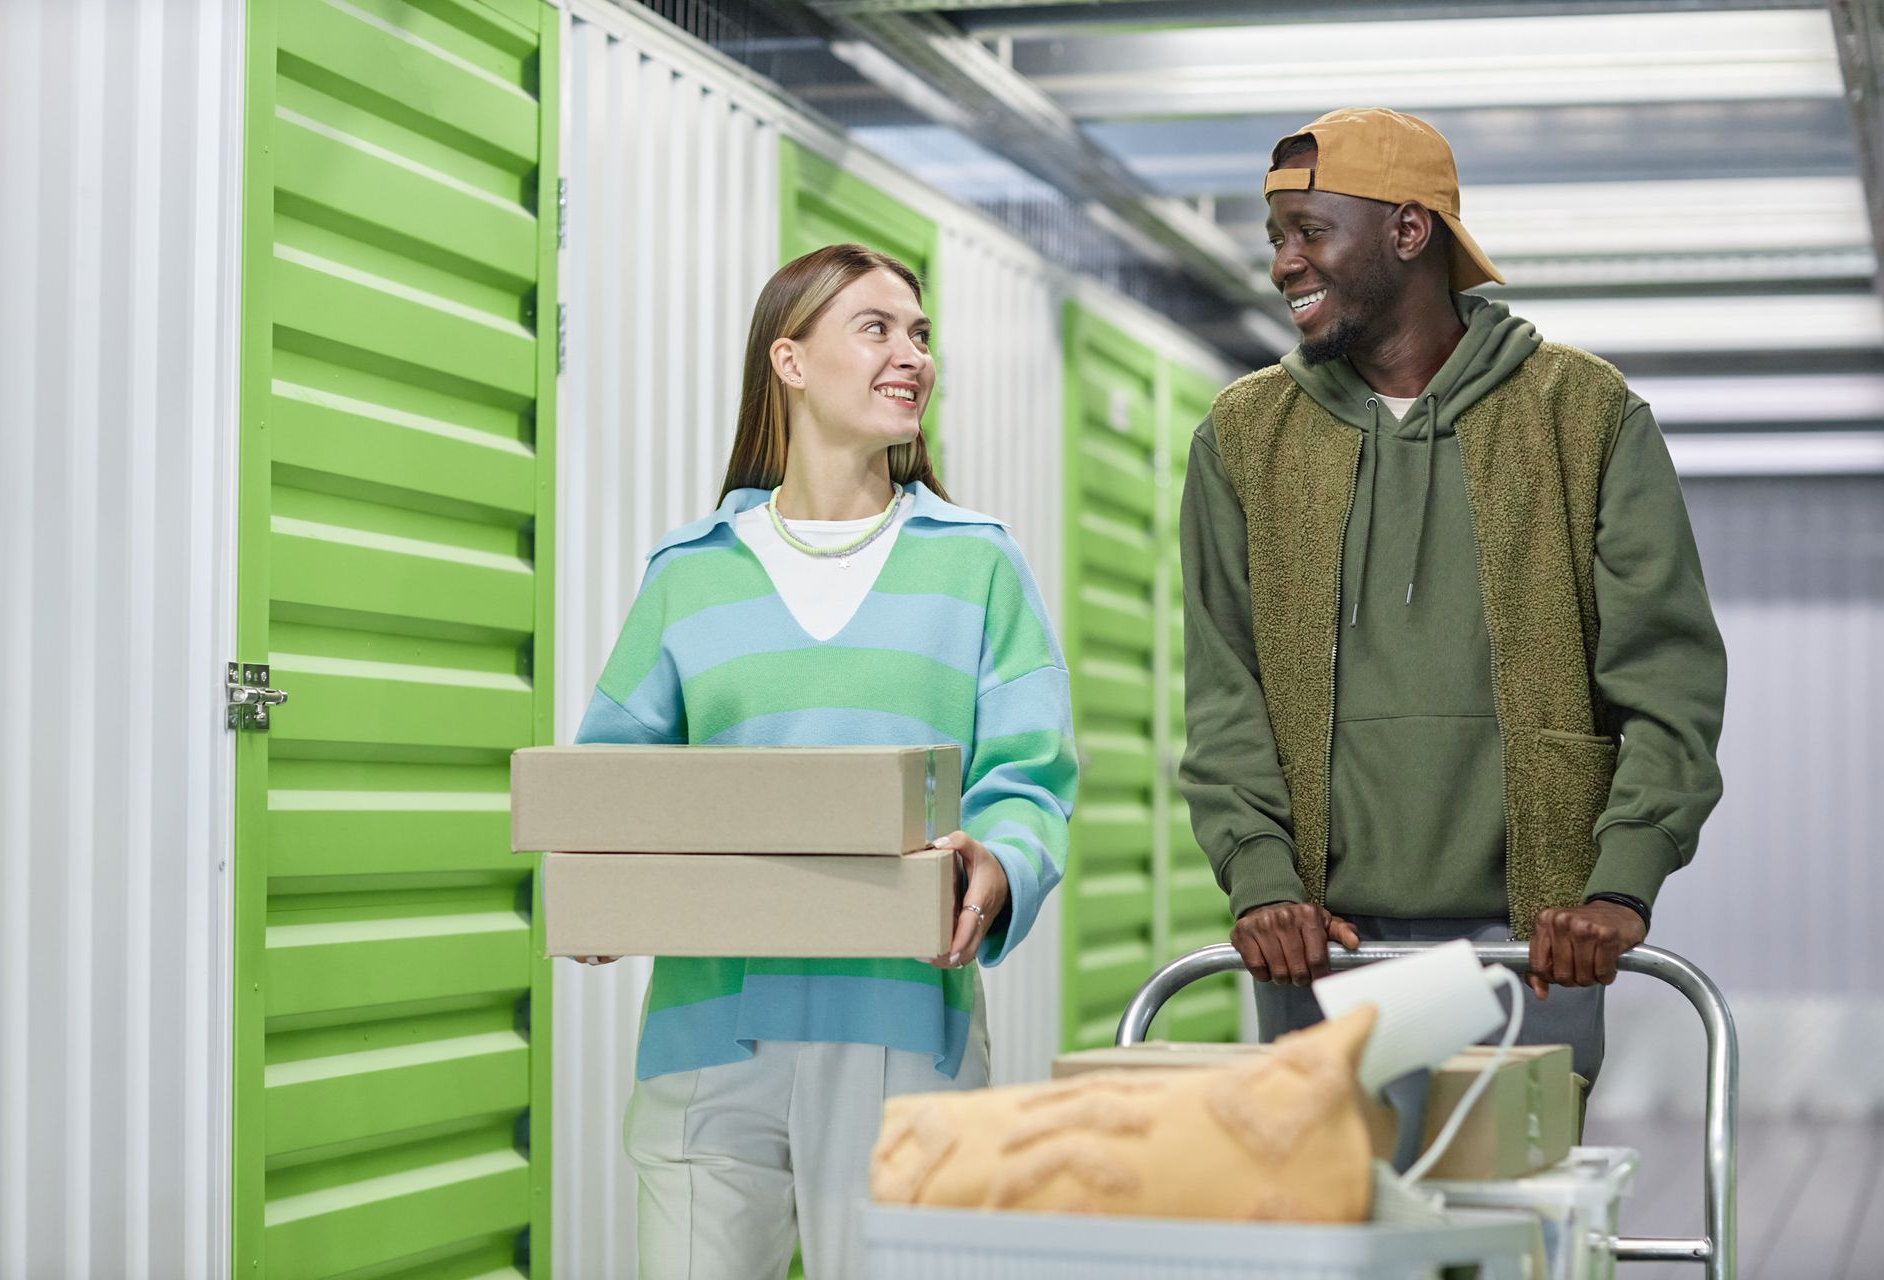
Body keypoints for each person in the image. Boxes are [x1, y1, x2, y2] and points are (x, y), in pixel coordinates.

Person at [1178, 108, 1726, 1085]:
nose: (1284, 264)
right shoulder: (1244, 435)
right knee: (1342, 1229)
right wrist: (1263, 882)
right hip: (1323, 945)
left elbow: (1670, 677)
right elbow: (1227, 690)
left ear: (1407, 230)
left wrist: (1618, 888)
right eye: (1276, 239)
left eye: (1311, 231)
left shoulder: (1582, 413)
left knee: (1518, 1230)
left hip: (1532, 948)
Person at [572, 243, 1078, 1278]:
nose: (913, 356)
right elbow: (609, 782)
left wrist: (1003, 860)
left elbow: (1031, 770)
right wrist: (597, 891)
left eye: (922, 334)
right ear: (790, 361)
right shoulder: (691, 572)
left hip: (904, 1027)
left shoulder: (975, 560)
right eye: (878, 328)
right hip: (711, 1037)